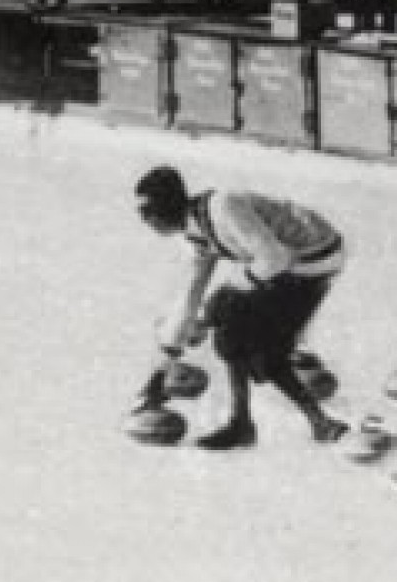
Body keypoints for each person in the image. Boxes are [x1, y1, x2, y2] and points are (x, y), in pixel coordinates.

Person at [132, 166, 348, 450]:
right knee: (239, 335)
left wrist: (228, 293)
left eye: (147, 211)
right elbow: (190, 295)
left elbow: (275, 256)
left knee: (236, 331)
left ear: (164, 208)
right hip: (292, 265)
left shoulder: (222, 208)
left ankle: (250, 423)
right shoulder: (196, 232)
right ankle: (305, 421)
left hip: (315, 261)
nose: (145, 220)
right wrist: (163, 367)